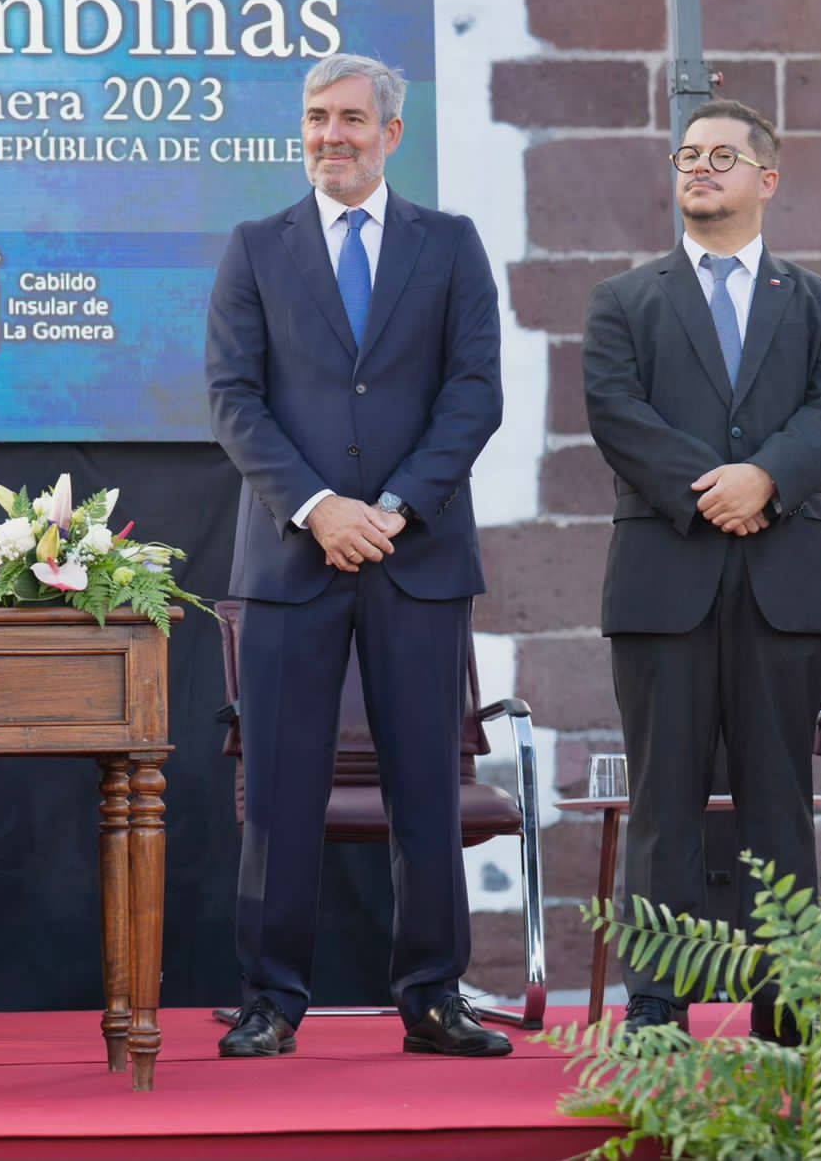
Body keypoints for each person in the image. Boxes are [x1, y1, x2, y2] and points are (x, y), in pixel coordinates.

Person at [205, 53, 508, 1058]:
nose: (328, 134)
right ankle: (269, 999)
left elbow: (473, 393)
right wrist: (319, 508)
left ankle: (433, 994)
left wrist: (391, 510)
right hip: (290, 562)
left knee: (425, 784)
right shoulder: (255, 248)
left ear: (391, 132)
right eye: (314, 117)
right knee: (278, 792)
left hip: (417, 558)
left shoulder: (450, 245)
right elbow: (233, 399)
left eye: (348, 118)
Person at [582, 99, 821, 1043]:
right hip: (664, 579)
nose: (698, 167)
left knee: (778, 797)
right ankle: (656, 1005)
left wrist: (765, 480)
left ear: (766, 179)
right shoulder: (624, 300)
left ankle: (789, 1004)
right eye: (686, 155)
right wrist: (712, 491)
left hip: (783, 584)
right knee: (662, 797)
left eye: (720, 156)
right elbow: (616, 412)